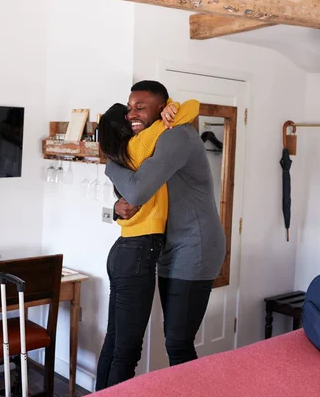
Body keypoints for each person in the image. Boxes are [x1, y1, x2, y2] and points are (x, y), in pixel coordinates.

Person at [105, 80, 226, 367]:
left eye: (140, 107)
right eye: (130, 108)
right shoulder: (151, 140)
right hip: (170, 244)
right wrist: (114, 207)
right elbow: (133, 194)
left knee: (178, 342)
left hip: (195, 243)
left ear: (162, 108)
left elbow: (135, 190)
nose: (132, 114)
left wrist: (109, 165)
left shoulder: (175, 136)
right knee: (173, 340)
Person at [95, 98, 200, 390]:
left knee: (114, 342)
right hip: (140, 252)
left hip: (123, 251)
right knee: (127, 353)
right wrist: (171, 107)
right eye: (130, 117)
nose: (135, 118)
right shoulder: (140, 147)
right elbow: (190, 109)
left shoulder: (119, 158)